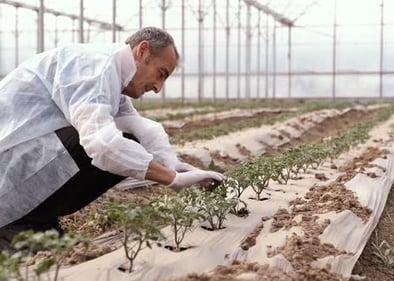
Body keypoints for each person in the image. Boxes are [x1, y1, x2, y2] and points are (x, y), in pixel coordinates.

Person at [0, 27, 225, 249]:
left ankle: (37, 215)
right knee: (109, 143)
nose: (158, 87)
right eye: (161, 74)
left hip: (20, 156)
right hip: (8, 166)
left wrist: (172, 163)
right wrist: (171, 178)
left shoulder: (112, 73)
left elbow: (140, 127)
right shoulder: (96, 69)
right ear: (142, 51)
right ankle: (22, 220)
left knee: (128, 140)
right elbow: (102, 144)